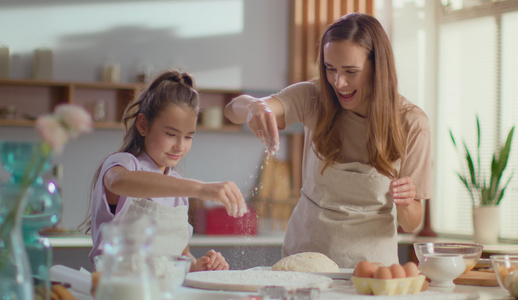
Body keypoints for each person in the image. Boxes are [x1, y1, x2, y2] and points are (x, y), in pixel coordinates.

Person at [224, 13, 432, 268]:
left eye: (350, 71)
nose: (338, 82)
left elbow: (412, 224)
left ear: (378, 69)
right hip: (304, 263)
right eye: (330, 68)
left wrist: (407, 202)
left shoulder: (411, 123)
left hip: (370, 271)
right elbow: (232, 110)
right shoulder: (315, 97)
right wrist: (255, 106)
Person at [84, 70, 248, 271]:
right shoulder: (124, 164)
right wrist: (199, 188)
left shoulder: (179, 190)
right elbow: (117, 182)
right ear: (143, 125)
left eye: (188, 137)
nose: (180, 146)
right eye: (171, 134)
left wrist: (200, 266)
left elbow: (181, 256)